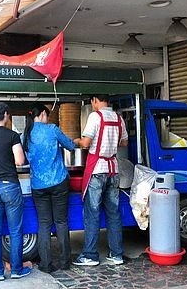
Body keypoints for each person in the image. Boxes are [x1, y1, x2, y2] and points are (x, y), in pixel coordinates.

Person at [72, 94, 128, 266]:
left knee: (92, 213)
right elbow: (124, 142)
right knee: (113, 213)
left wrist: (76, 141)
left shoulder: (95, 116)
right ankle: (117, 254)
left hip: (97, 171)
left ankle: (90, 255)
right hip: (113, 170)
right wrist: (110, 142)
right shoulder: (119, 118)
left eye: (92, 102)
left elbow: (86, 143)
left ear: (95, 100)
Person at [0, 102, 32, 281]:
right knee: (15, 230)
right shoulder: (12, 135)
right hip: (10, 185)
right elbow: (19, 160)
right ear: (6, 115)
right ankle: (16, 270)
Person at [22, 103, 75, 272]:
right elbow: (71, 146)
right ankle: (65, 262)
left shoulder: (27, 134)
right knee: (61, 222)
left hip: (38, 185)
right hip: (58, 182)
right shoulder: (52, 129)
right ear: (43, 114)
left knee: (44, 224)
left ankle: (46, 264)